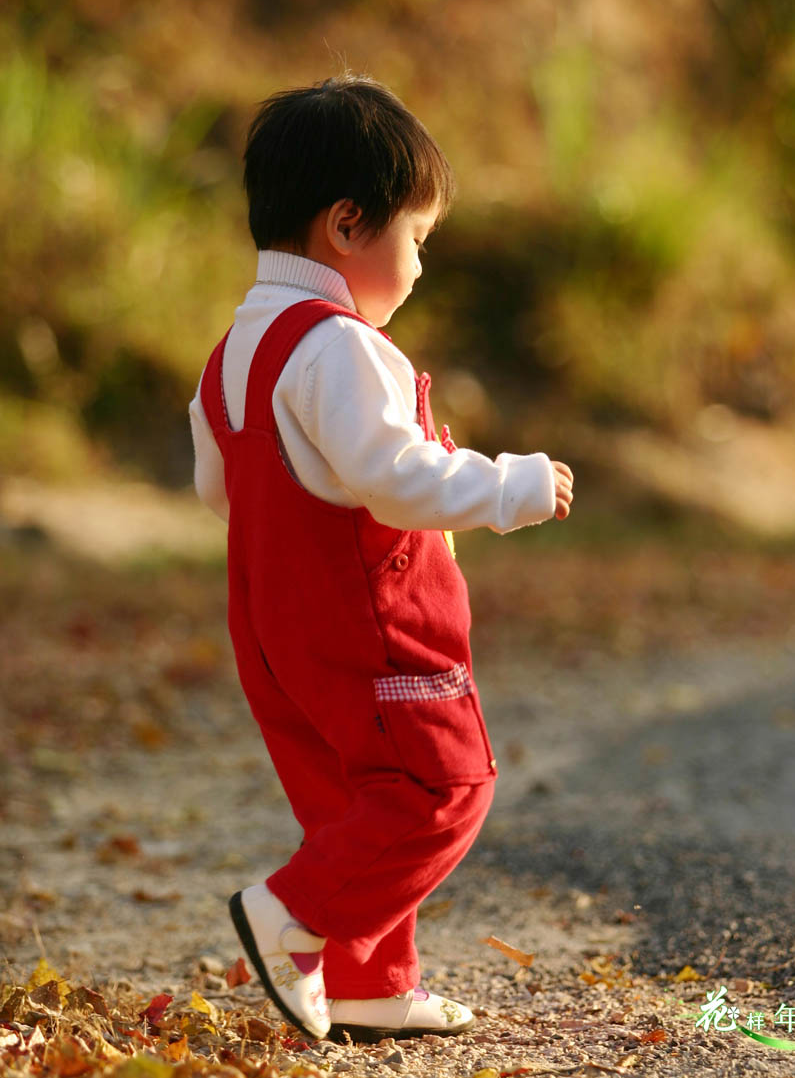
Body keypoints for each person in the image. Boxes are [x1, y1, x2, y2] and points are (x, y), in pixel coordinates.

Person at [188, 75, 574, 1043]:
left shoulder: (237, 345)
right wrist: (508, 487)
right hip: (371, 620)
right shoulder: (341, 349)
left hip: (275, 624)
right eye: (416, 240)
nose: (419, 266)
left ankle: (370, 980)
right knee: (444, 783)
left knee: (353, 798)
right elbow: (394, 478)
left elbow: (216, 479)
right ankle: (292, 920)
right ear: (347, 227)